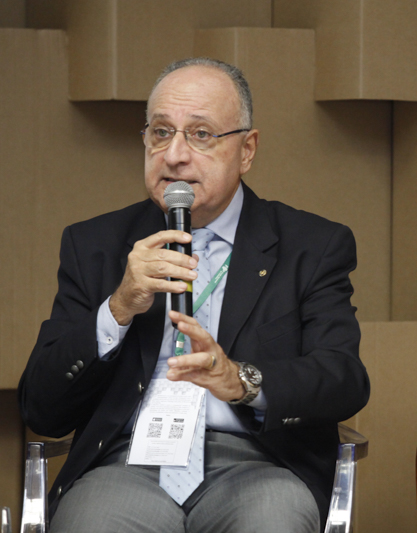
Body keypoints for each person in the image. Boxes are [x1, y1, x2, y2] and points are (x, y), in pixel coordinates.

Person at [18, 57, 369, 533]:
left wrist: (241, 380)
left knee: (272, 522)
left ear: (247, 150)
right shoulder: (94, 244)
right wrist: (117, 309)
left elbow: (344, 380)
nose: (175, 155)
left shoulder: (311, 245)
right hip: (125, 464)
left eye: (201, 134)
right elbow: (41, 408)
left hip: (258, 464)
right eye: (161, 132)